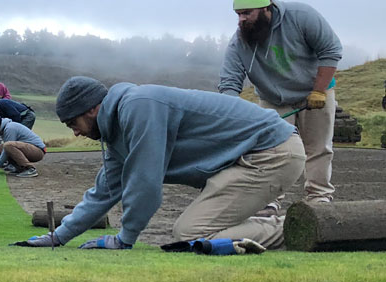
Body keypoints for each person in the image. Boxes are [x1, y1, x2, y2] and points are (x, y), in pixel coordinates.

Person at [15, 76, 305, 251]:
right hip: (247, 158)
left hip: (271, 152)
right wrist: (58, 237)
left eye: (73, 123)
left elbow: (145, 184)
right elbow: (105, 191)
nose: (75, 132)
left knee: (189, 234)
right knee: (194, 232)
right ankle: (266, 226)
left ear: (92, 109)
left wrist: (124, 239)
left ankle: (298, 230)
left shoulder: (139, 107)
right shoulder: (116, 132)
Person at [219, 0, 341, 217]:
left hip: (315, 91)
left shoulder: (302, 16)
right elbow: (229, 81)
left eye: (246, 13)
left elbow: (331, 50)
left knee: (318, 148)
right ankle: (269, 203)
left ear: (266, 8)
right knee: (273, 151)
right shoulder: (240, 42)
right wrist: (229, 113)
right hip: (273, 99)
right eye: (238, 14)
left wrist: (318, 91)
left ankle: (319, 199)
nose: (241, 20)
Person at [0, 114, 45, 178]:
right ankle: (20, 168)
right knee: (0, 148)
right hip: (30, 149)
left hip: (38, 151)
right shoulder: (5, 128)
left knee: (7, 145)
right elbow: (5, 151)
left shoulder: (10, 128)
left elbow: (7, 149)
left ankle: (30, 169)